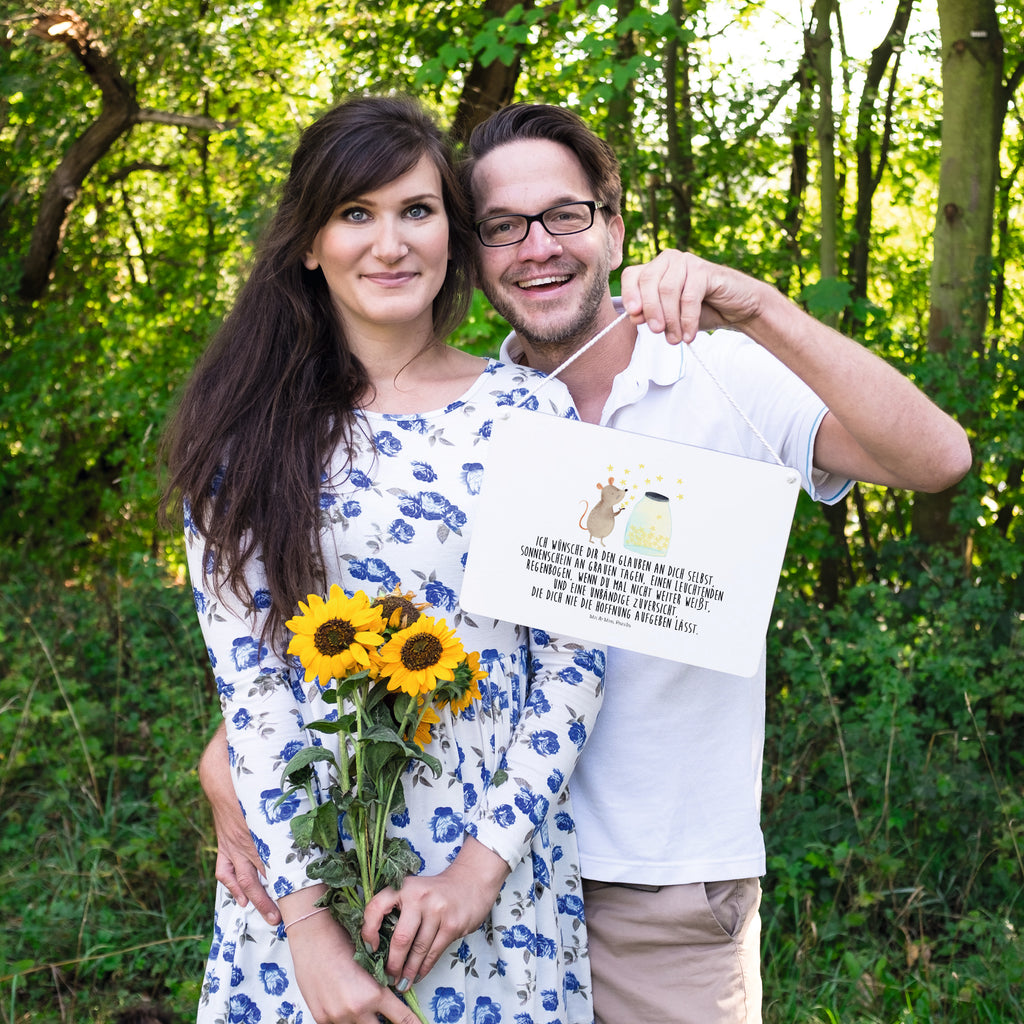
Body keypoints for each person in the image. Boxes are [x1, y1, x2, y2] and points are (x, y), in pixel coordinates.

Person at [202, 102, 972, 1024]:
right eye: (503, 226)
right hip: (415, 870)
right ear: (474, 248)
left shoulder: (709, 374)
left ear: (614, 227)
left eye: (564, 215)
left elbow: (938, 459)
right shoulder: (467, 412)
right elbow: (331, 628)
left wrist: (758, 305)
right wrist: (234, 757)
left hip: (650, 887)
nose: (537, 247)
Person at [163, 96, 608, 1024]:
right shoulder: (244, 437)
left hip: (492, 880)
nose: (391, 243)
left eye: (417, 210)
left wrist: (477, 873)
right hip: (303, 877)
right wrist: (310, 935)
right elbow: (253, 688)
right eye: (355, 213)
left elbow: (573, 662)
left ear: (453, 231)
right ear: (309, 243)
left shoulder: (531, 413)